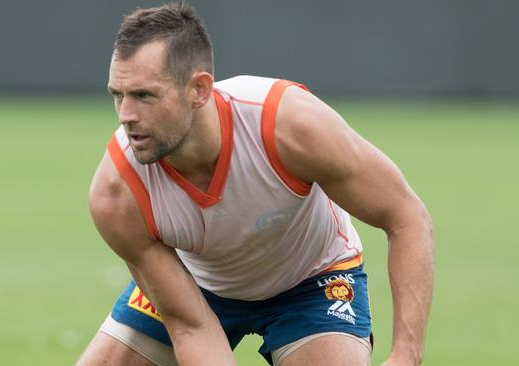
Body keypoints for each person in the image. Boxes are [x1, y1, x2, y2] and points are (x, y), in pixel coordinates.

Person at [77, 2, 434, 366]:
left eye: (144, 96)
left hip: (310, 281)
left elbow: (406, 217)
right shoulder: (116, 194)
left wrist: (406, 355)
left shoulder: (291, 126)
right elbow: (191, 326)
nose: (126, 116)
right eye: (117, 95)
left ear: (199, 89)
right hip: (195, 284)